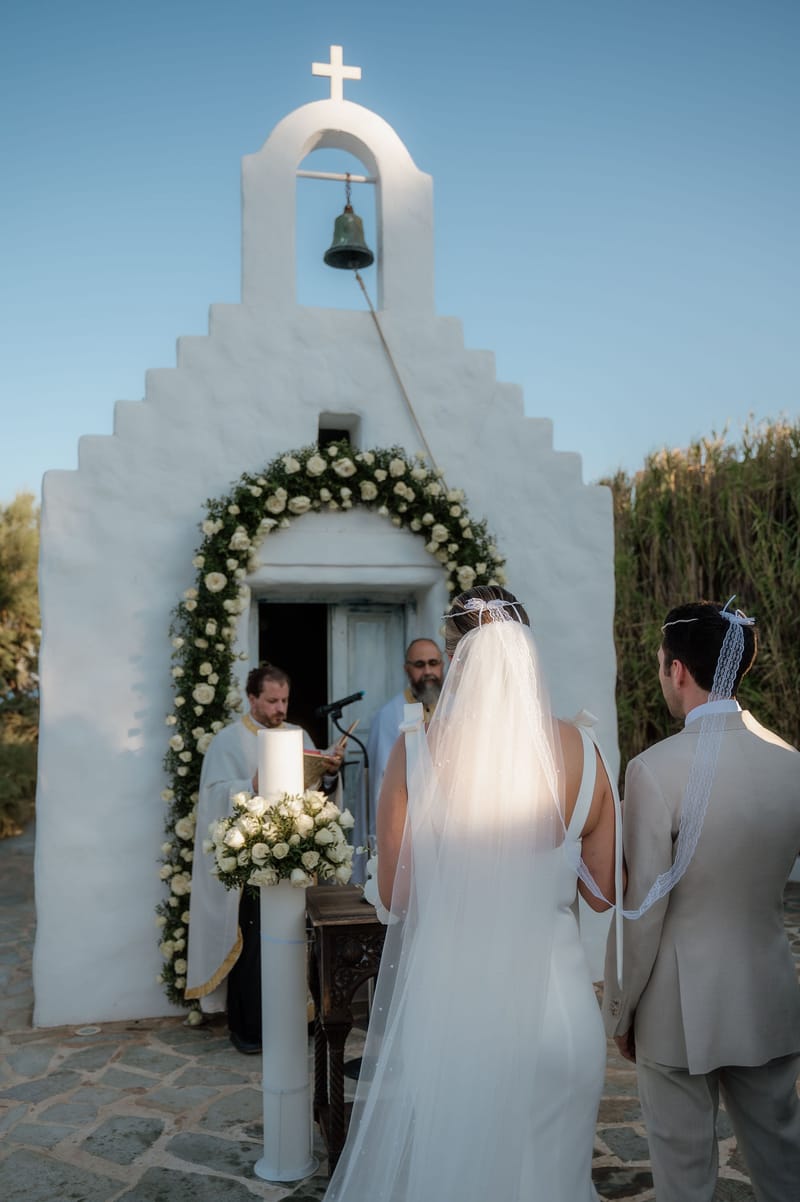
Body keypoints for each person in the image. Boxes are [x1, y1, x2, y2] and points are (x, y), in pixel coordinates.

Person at [323, 585, 620, 1202]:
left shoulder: (416, 751)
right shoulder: (586, 751)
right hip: (560, 1018)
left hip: (457, 1016)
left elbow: (396, 894)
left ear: (457, 659)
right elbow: (601, 893)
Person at [602, 600, 800, 1202]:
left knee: (684, 1178)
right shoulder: (790, 764)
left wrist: (622, 1008)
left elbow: (643, 910)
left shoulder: (653, 770)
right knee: (784, 1167)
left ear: (679, 670)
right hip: (766, 990)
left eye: (662, 665)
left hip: (675, 1005)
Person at [186, 663, 342, 1054]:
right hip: (250, 864)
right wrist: (250, 785)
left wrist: (326, 773)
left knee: (296, 941)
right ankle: (249, 1029)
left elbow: (312, 791)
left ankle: (298, 1020)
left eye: (284, 700)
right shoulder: (229, 741)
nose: (280, 709)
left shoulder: (297, 736)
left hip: (293, 860)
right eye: (271, 700)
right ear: (251, 698)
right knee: (253, 947)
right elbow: (215, 796)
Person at [365, 637, 444, 830]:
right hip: (407, 823)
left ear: (442, 665)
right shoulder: (389, 716)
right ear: (406, 669)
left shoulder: (455, 707)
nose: (428, 672)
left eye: (433, 663)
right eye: (419, 665)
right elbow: (381, 785)